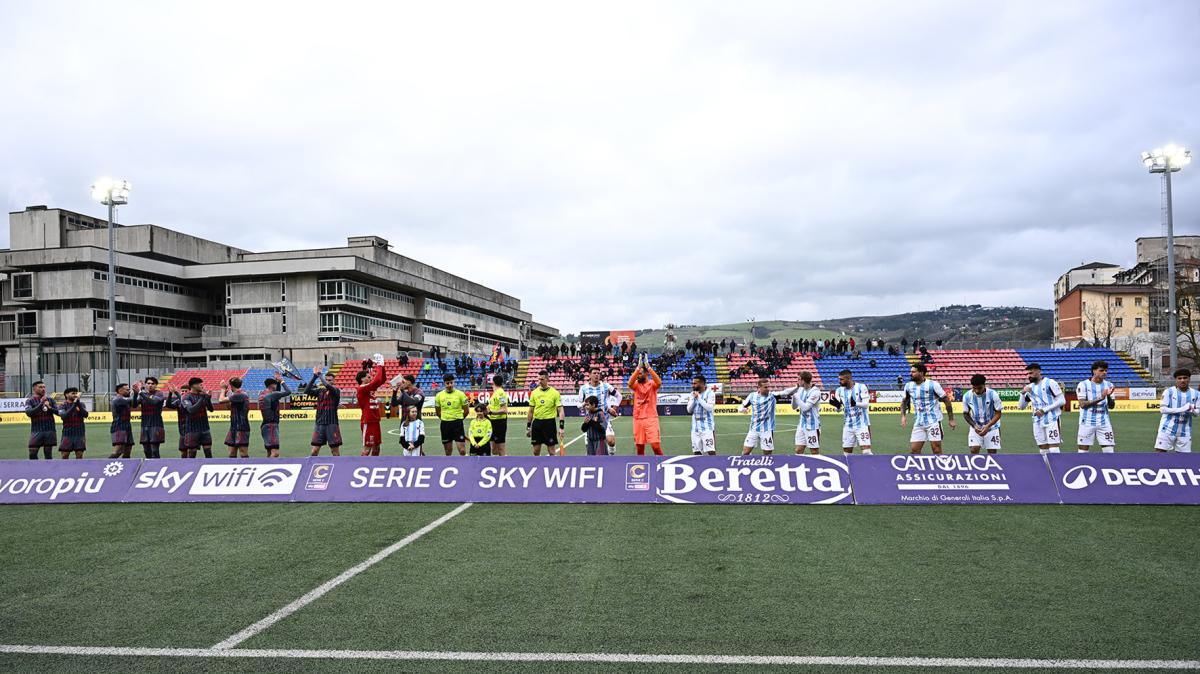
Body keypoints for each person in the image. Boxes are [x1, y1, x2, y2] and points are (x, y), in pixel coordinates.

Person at [899, 363, 956, 454]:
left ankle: (940, 463)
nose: (911, 374)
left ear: (921, 373)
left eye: (913, 372)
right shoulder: (908, 386)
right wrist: (903, 416)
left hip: (933, 422)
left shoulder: (933, 384)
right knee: (914, 450)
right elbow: (904, 401)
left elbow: (946, 400)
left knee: (936, 450)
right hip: (918, 422)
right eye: (911, 372)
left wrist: (951, 419)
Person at [1017, 363, 1064, 455]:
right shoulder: (1030, 387)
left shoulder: (1050, 383)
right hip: (1037, 421)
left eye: (1031, 373)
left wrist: (1044, 410)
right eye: (1028, 374)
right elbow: (1021, 407)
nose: (1029, 376)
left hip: (1052, 419)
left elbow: (1062, 401)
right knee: (1043, 449)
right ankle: (1046, 465)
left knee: (1054, 448)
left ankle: (1056, 465)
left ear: (1038, 371)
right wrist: (1022, 394)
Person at [739, 377, 788, 455]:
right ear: (759, 387)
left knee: (767, 454)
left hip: (767, 430)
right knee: (745, 452)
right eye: (765, 387)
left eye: (769, 387)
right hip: (754, 429)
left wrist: (797, 387)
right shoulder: (752, 396)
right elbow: (741, 406)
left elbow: (785, 392)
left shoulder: (772, 396)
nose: (768, 389)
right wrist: (742, 409)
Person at [1155, 368, 1200, 453]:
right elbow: (1163, 409)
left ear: (1189, 379)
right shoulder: (1169, 392)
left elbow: (1197, 413)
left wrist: (1191, 410)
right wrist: (1182, 409)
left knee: (1183, 457)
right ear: (1176, 380)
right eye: (1179, 378)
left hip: (1185, 430)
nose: (1182, 380)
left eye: (1185, 378)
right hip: (1167, 428)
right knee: (1160, 452)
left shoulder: (1196, 394)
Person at [1076, 360, 1116, 453]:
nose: (1104, 372)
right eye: (1101, 370)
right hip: (1086, 423)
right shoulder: (1083, 384)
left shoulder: (1109, 385)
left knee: (1109, 451)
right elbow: (1082, 404)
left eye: (1106, 370)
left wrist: (1108, 396)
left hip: (1104, 423)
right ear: (1094, 371)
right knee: (1082, 451)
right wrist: (1101, 398)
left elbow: (1112, 406)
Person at [830, 369, 872, 455]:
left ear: (848, 379)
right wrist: (837, 407)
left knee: (866, 451)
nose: (839, 381)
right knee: (847, 453)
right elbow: (839, 410)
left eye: (841, 379)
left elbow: (866, 405)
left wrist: (855, 403)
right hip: (848, 425)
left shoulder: (861, 387)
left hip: (861, 424)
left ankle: (873, 464)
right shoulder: (839, 390)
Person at [303, 366, 343, 456]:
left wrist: (320, 375)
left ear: (334, 381)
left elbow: (327, 386)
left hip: (332, 424)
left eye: (330, 380)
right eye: (326, 380)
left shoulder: (336, 391)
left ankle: (338, 465)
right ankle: (311, 465)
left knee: (334, 451)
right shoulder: (320, 391)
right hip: (319, 424)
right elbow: (306, 391)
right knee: (314, 451)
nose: (328, 381)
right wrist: (314, 377)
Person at [627, 358, 663, 456]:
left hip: (651, 418)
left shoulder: (652, 384)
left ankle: (663, 463)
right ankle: (642, 464)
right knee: (639, 447)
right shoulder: (636, 385)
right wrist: (637, 369)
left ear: (646, 373)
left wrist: (649, 368)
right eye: (637, 374)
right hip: (638, 419)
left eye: (640, 373)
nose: (638, 376)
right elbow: (629, 383)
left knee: (655, 446)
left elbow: (659, 383)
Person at [578, 367, 616, 454]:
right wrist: (584, 404)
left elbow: (618, 395)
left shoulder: (606, 386)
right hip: (590, 420)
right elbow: (578, 404)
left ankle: (611, 453)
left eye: (598, 373)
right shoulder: (583, 388)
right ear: (589, 375)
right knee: (590, 447)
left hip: (604, 418)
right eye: (594, 373)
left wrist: (614, 408)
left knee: (611, 441)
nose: (597, 375)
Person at [962, 374, 1003, 454]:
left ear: (984, 385)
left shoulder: (993, 394)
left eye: (979, 388)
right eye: (974, 388)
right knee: (974, 450)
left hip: (992, 427)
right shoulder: (967, 396)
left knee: (992, 453)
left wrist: (988, 426)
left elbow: (998, 413)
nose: (977, 391)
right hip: (976, 427)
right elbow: (965, 414)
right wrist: (974, 425)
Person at [527, 370, 565, 456]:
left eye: (542, 379)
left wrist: (561, 427)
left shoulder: (555, 393)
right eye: (539, 379)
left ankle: (552, 464)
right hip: (537, 423)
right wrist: (528, 427)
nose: (540, 381)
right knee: (536, 451)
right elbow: (531, 411)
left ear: (547, 379)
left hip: (549, 423)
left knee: (551, 451)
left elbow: (561, 411)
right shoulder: (534, 393)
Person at [353, 360, 386, 456]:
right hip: (368, 422)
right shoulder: (362, 389)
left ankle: (374, 464)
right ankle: (362, 464)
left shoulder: (369, 389)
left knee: (376, 447)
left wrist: (382, 366)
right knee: (367, 449)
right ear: (362, 379)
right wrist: (379, 366)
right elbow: (377, 381)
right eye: (368, 377)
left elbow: (382, 380)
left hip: (375, 421)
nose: (371, 378)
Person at [435, 373, 469, 456]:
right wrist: (445, 418)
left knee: (462, 451)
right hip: (445, 424)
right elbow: (438, 412)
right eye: (447, 383)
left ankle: (464, 464)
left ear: (454, 382)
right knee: (448, 452)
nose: (450, 385)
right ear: (444, 383)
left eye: (451, 382)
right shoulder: (439, 395)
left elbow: (466, 411)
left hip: (457, 424)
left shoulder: (461, 394)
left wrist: (459, 419)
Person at [788, 371, 822, 455]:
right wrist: (794, 397)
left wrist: (796, 397)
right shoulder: (800, 390)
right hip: (802, 425)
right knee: (798, 450)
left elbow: (805, 408)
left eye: (799, 379)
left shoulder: (815, 392)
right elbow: (794, 407)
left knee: (814, 451)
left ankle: (816, 463)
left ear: (803, 380)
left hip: (812, 426)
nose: (797, 381)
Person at [258, 374, 291, 458]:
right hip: (271, 425)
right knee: (275, 453)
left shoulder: (262, 394)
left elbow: (276, 395)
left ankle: (266, 464)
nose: (276, 386)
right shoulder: (272, 394)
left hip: (264, 425)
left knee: (269, 452)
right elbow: (288, 392)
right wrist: (281, 381)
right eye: (275, 384)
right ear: (272, 385)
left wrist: (277, 382)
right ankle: (268, 466)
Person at [219, 377, 252, 458]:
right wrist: (226, 394)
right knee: (232, 452)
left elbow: (221, 400)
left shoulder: (239, 394)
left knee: (243, 452)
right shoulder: (239, 395)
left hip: (241, 427)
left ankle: (245, 465)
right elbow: (229, 407)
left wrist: (222, 389)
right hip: (234, 426)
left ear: (231, 385)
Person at [137, 376, 167, 459]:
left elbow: (153, 402)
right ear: (145, 385)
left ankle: (156, 465)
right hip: (144, 425)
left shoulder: (159, 394)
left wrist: (140, 393)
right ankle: (149, 464)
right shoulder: (142, 395)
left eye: (152, 384)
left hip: (156, 425)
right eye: (148, 383)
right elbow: (134, 404)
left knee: (154, 450)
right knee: (146, 450)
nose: (150, 385)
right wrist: (136, 393)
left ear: (156, 385)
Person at [25, 380, 56, 460]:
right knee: (32, 452)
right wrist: (41, 404)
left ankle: (48, 468)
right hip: (36, 430)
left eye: (44, 387)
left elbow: (58, 412)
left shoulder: (50, 400)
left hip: (49, 430)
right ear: (34, 389)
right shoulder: (30, 401)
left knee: (48, 453)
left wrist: (50, 407)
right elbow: (29, 413)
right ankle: (35, 467)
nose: (43, 389)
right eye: (40, 387)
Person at [687, 375, 717, 455]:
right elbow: (689, 410)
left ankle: (714, 463)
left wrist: (699, 398)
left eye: (695, 383)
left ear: (702, 384)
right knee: (696, 452)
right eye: (692, 383)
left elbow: (709, 408)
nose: (693, 385)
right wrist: (694, 399)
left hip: (707, 427)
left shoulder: (710, 393)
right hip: (695, 428)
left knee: (711, 451)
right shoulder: (692, 394)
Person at [56, 387, 88, 459]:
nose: (75, 395)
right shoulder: (62, 405)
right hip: (67, 434)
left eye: (76, 393)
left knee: (79, 454)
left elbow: (86, 415)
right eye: (73, 393)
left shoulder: (81, 404)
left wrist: (78, 403)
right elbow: (64, 416)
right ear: (66, 395)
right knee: (65, 455)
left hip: (79, 433)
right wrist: (74, 405)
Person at [108, 383, 136, 459]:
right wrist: (136, 392)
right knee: (118, 450)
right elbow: (131, 400)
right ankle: (106, 463)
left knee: (128, 450)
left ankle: (126, 465)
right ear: (120, 390)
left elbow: (134, 404)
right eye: (127, 390)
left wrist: (136, 393)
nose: (129, 391)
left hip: (127, 426)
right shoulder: (117, 399)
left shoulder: (124, 399)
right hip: (119, 426)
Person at [487, 374, 510, 456]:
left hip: (499, 422)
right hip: (492, 421)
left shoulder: (500, 393)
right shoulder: (495, 393)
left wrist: (491, 412)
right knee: (493, 450)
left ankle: (503, 461)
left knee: (500, 448)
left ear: (493, 382)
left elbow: (504, 410)